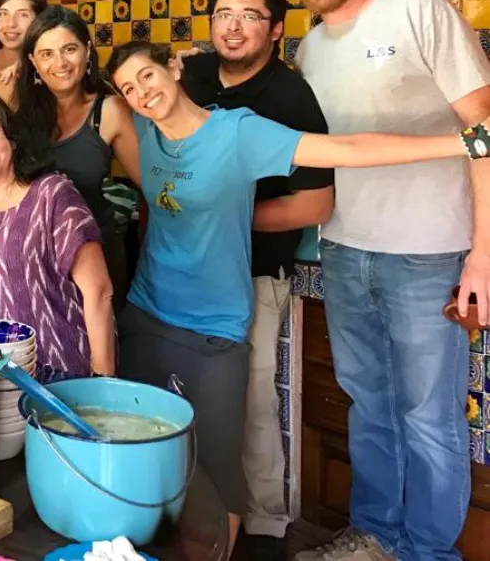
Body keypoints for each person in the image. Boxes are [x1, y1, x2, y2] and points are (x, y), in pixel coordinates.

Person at [106, 40, 490, 559]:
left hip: (215, 325)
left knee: (217, 468)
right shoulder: (144, 135)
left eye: (146, 76)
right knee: (140, 453)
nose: (142, 93)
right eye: (129, 89)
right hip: (145, 313)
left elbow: (348, 150)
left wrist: (464, 143)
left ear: (173, 68)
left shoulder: (237, 132)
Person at [282, 0, 490, 561]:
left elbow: (484, 133)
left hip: (430, 254)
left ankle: (427, 553)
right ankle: (374, 538)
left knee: (430, 418)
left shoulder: (416, 9)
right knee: (368, 405)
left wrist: (483, 255)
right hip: (346, 251)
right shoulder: (310, 51)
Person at [177, 0, 334, 560]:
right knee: (184, 392)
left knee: (251, 399)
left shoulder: (290, 96)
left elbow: (316, 203)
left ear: (274, 29)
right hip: (178, 273)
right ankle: (193, 508)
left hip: (251, 275)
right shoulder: (189, 76)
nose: (233, 27)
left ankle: (265, 525)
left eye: (248, 16)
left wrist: (226, 217)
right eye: (222, 15)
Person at [0, 87, 117, 380]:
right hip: (12, 375)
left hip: (69, 368)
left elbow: (99, 292)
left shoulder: (52, 194)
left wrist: (102, 382)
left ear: (11, 139)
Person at [17, 5, 141, 310]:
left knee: (99, 353)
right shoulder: (18, 108)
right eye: (46, 54)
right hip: (36, 258)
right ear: (33, 61)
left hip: (97, 252)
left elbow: (150, 188)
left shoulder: (109, 111)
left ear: (87, 51)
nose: (59, 63)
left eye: (69, 49)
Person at [0, 0, 48, 97]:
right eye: (3, 14)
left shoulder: (48, 66)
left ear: (39, 21)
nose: (11, 23)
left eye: (22, 15)